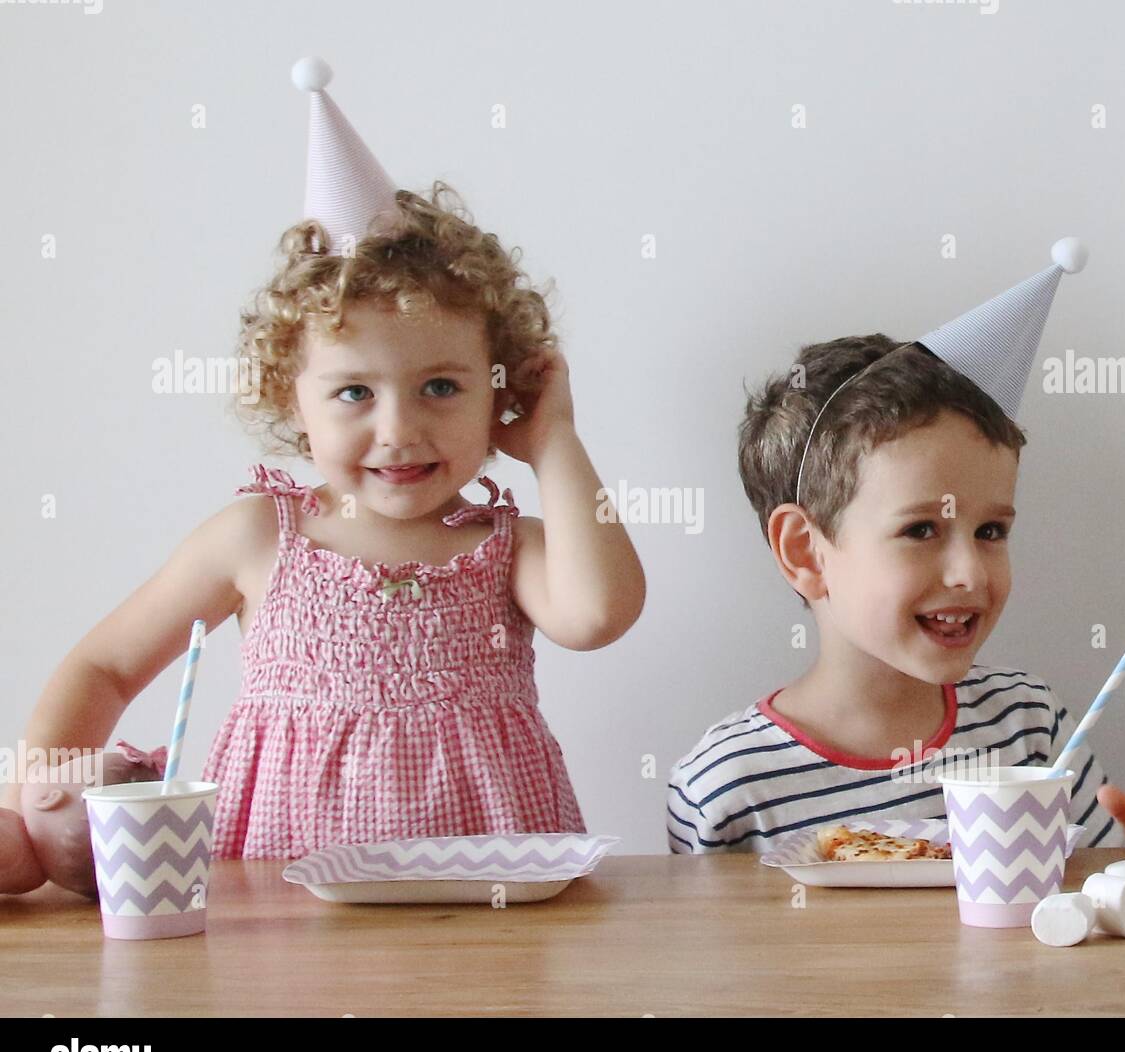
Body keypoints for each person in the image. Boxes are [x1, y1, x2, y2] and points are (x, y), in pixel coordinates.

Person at [5, 60, 645, 859]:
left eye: (441, 386)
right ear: (291, 401)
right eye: (354, 394)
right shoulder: (255, 538)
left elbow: (599, 614)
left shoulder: (509, 547)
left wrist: (555, 443)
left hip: (491, 913)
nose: (399, 428)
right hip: (278, 910)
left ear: (499, 391)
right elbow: (105, 666)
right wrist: (43, 801)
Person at [668, 243, 1125, 858]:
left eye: (991, 532)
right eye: (921, 530)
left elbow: (1086, 906)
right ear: (806, 552)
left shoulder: (1028, 725)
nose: (970, 574)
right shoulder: (727, 788)